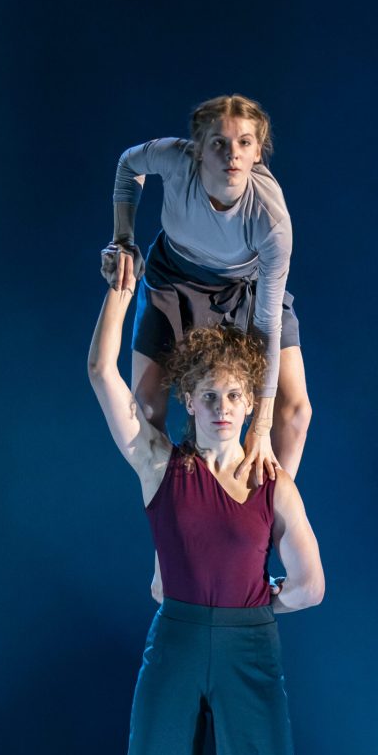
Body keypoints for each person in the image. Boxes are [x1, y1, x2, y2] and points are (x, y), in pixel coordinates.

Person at [88, 289, 335, 755]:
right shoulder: (160, 465)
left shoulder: (274, 484)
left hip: (247, 645)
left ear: (251, 404)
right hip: (176, 639)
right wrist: (119, 298)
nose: (222, 407)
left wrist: (255, 604)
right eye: (209, 396)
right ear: (189, 402)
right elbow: (102, 374)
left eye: (233, 396)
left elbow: (311, 585)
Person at [102, 93, 310, 485]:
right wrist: (123, 239)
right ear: (198, 149)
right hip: (173, 279)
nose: (232, 154)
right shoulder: (175, 159)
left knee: (296, 412)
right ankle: (176, 500)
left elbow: (267, 323)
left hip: (244, 287)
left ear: (257, 152)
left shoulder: (272, 220)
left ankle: (264, 509)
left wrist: (261, 426)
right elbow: (129, 165)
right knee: (145, 408)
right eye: (219, 143)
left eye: (244, 143)